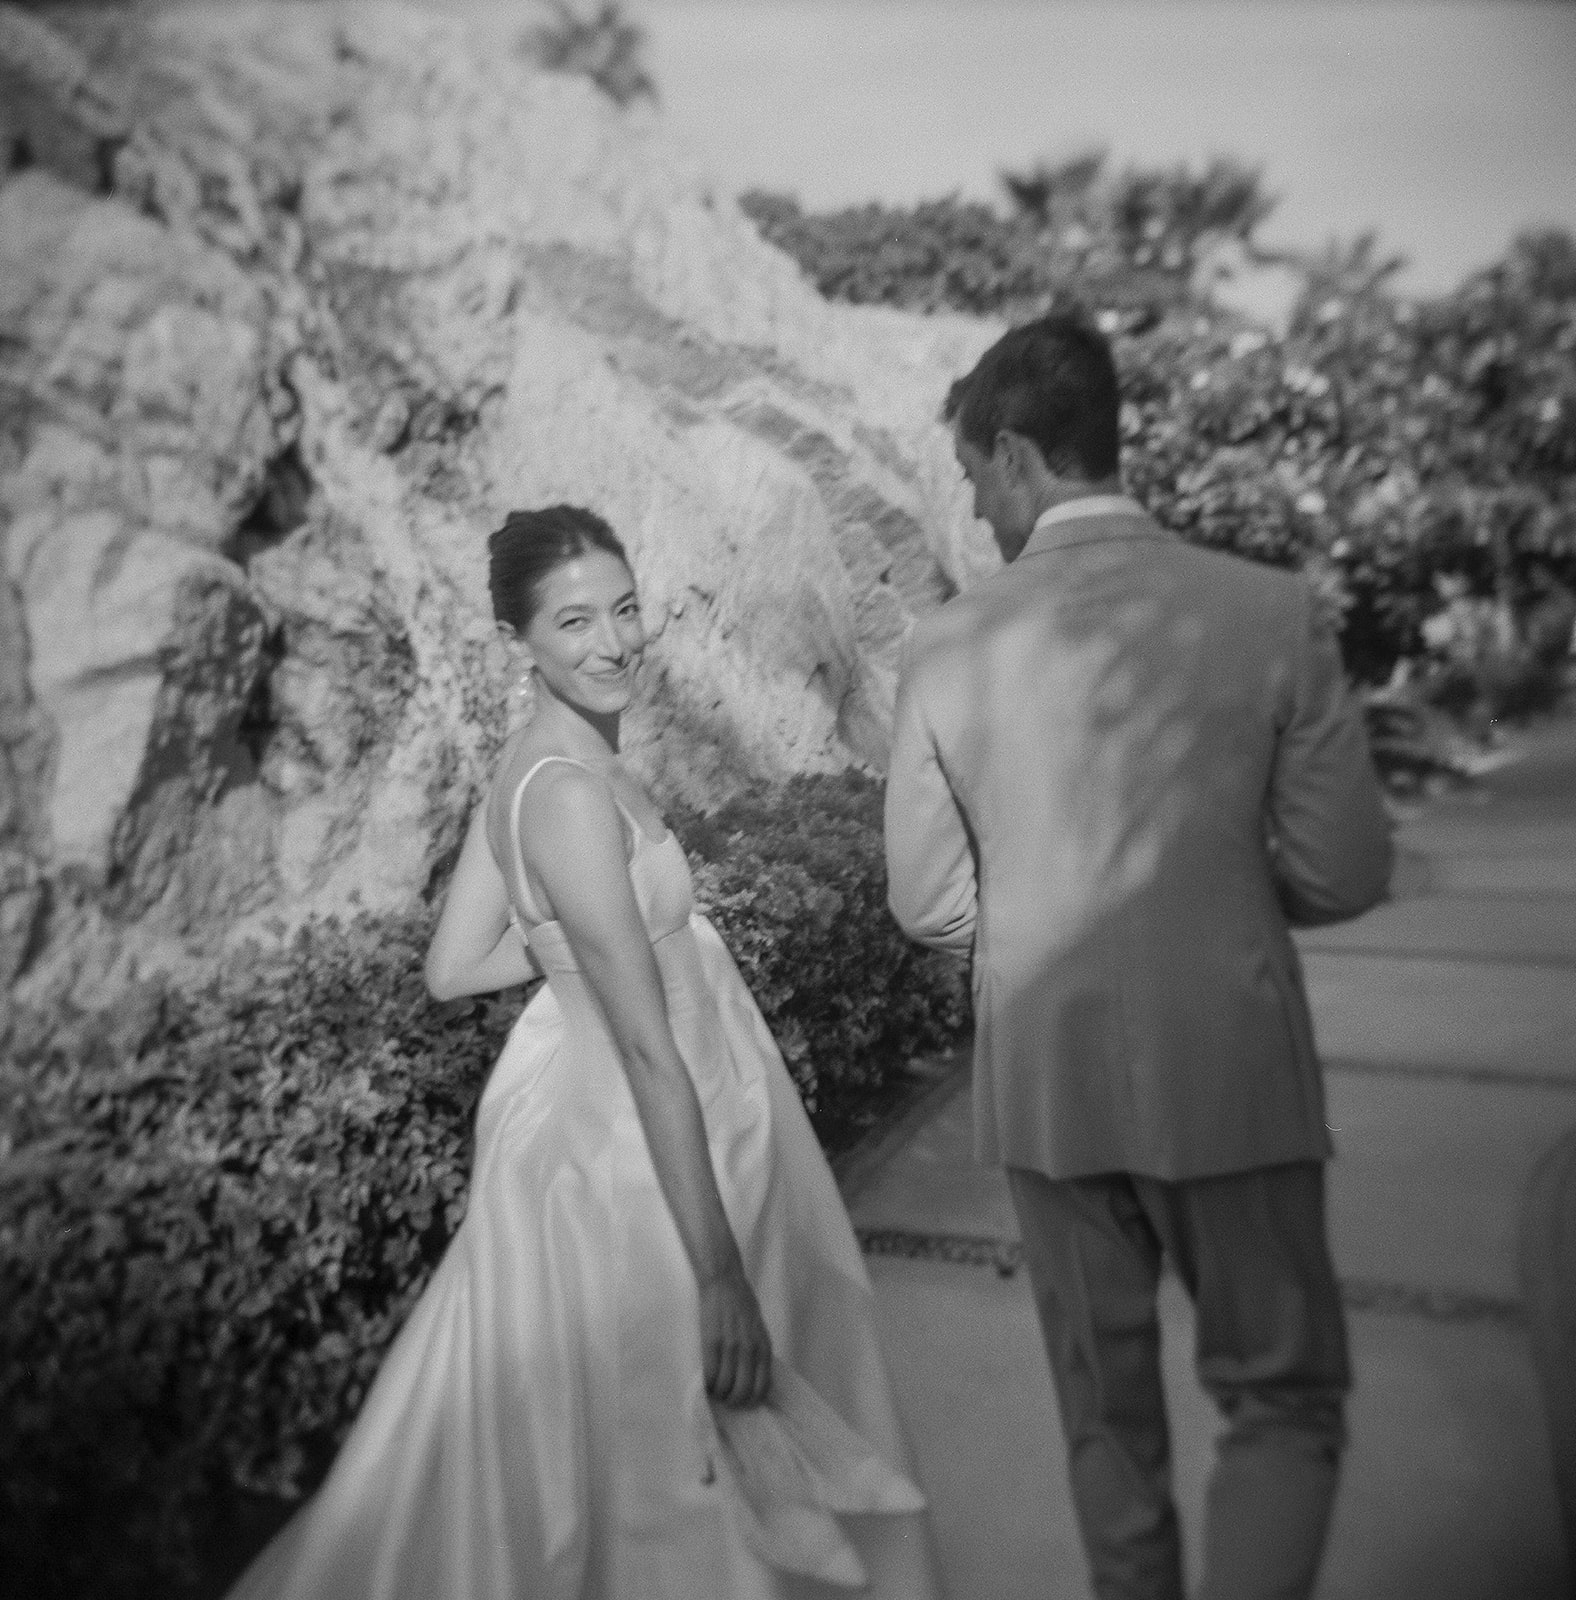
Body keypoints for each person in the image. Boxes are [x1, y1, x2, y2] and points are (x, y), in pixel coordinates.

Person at [228, 505, 940, 1600]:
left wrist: (568, 945)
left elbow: (453, 965)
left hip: (657, 1119)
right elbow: (650, 1051)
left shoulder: (541, 760)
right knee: (676, 1469)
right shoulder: (563, 792)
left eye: (623, 608)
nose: (612, 641)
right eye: (573, 621)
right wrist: (718, 1277)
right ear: (520, 639)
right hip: (638, 1156)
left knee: (661, 1461)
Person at [883, 315, 1394, 1600]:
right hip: (1233, 1066)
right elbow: (1343, 870)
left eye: (970, 479)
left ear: (1013, 455)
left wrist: (1038, 919)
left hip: (1048, 1086)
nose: (975, 512)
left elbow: (925, 896)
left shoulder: (947, 645)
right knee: (1280, 1397)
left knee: (1105, 1424)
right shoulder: (1270, 610)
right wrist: (1205, 896)